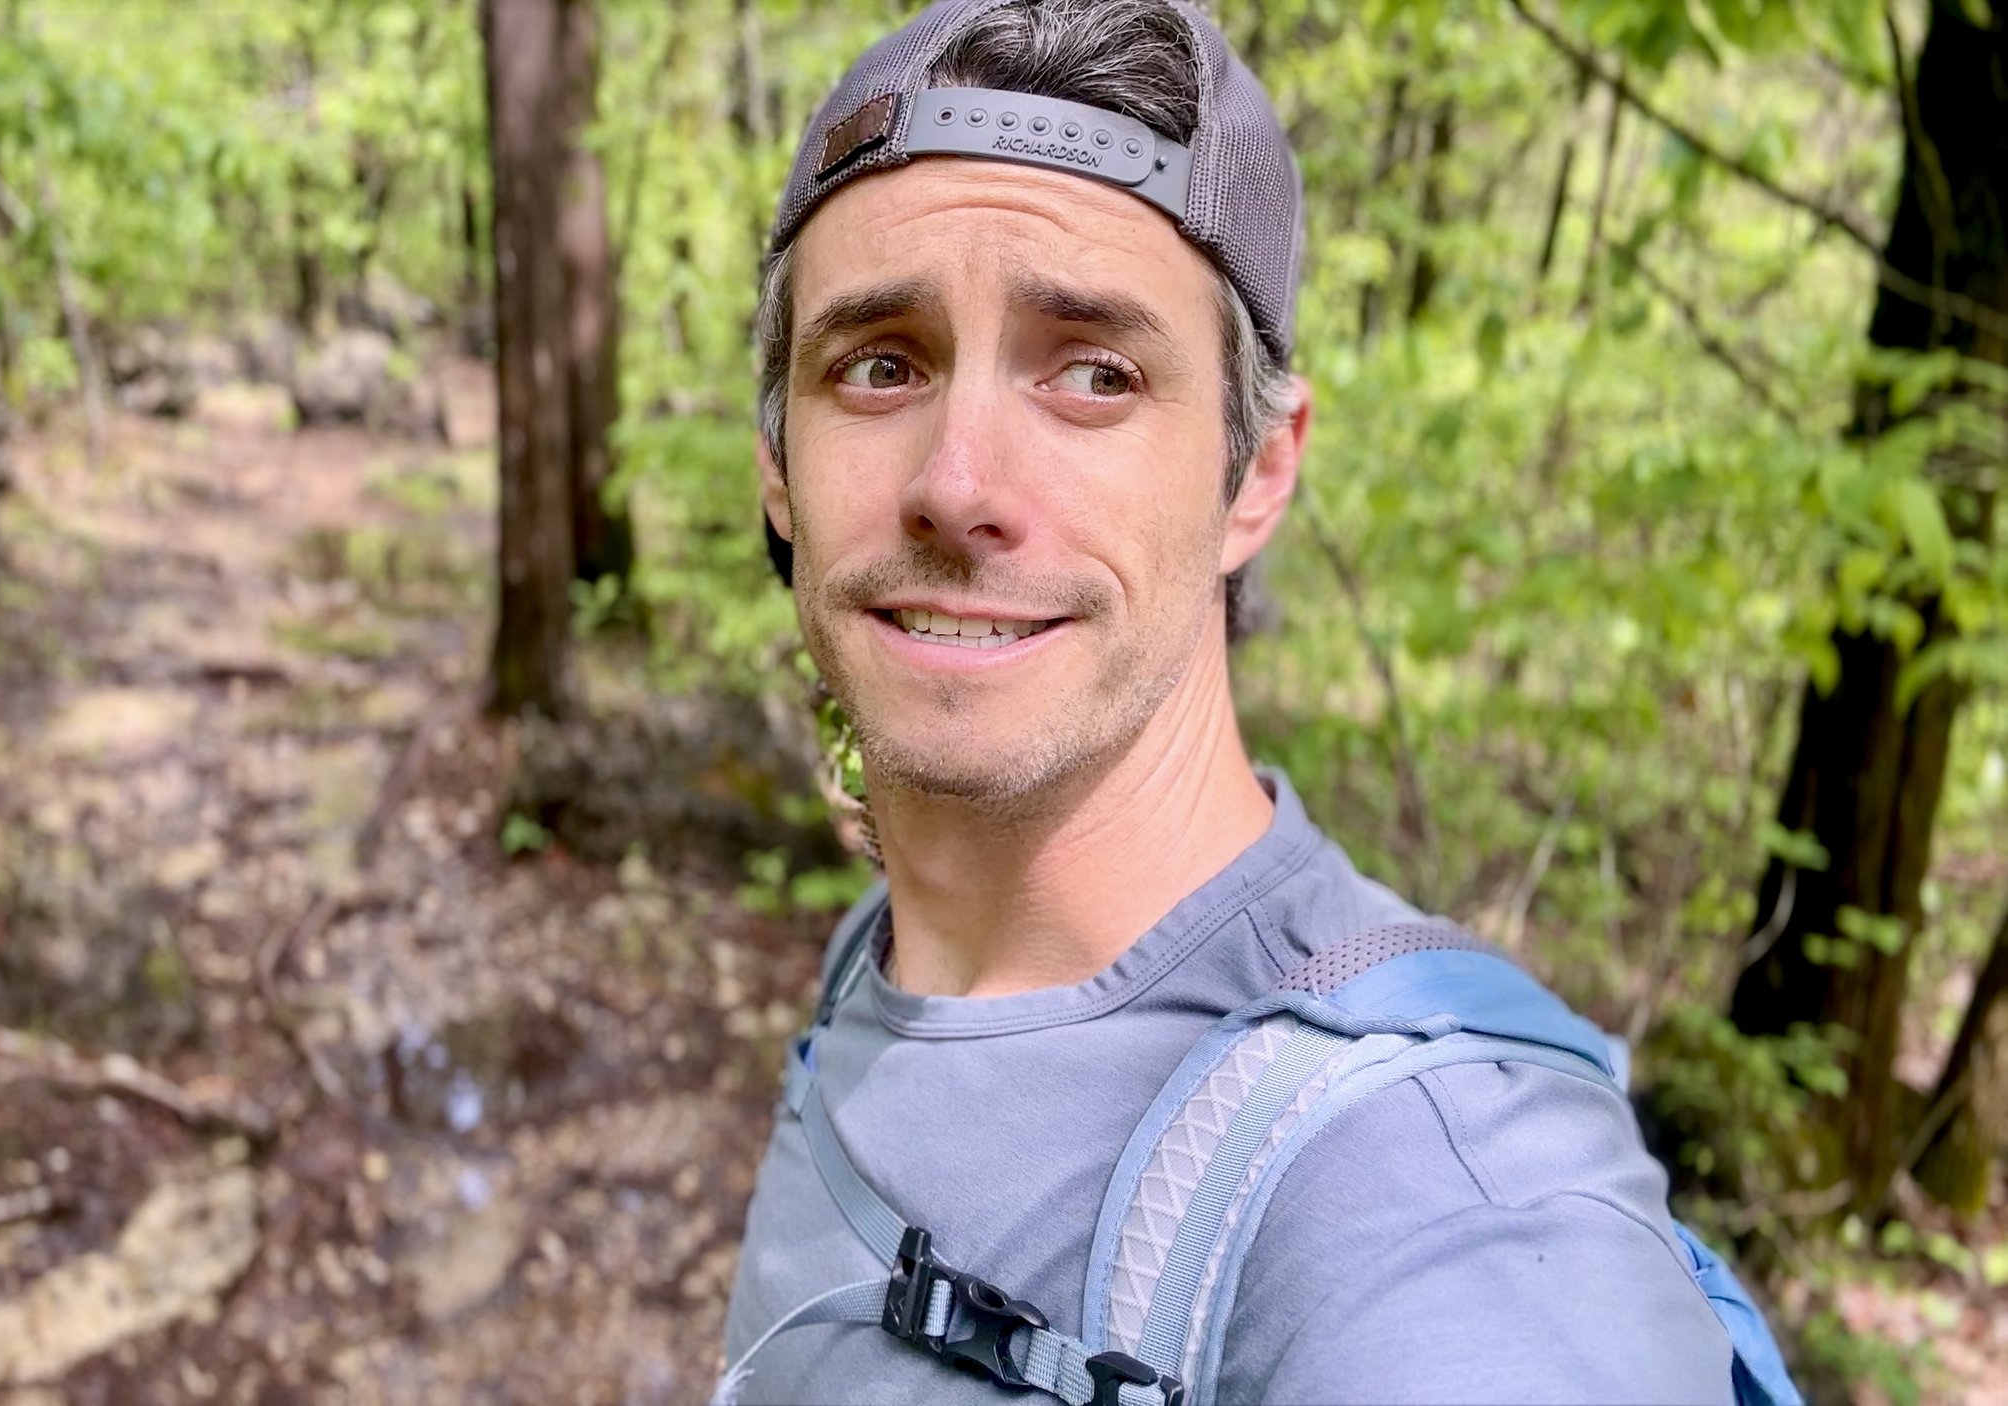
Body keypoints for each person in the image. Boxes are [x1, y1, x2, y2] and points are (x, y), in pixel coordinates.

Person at [718, 1, 1748, 1401]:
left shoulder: (1454, 1198)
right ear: (779, 462)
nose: (956, 485)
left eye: (1095, 374)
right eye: (879, 365)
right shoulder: (877, 956)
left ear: (1257, 469)